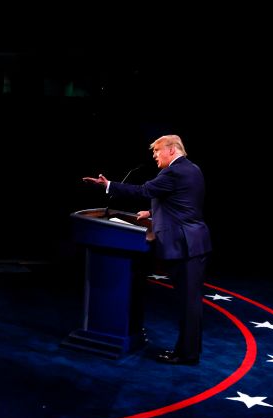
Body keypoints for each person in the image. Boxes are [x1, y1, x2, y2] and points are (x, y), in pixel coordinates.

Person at [82, 134, 211, 365]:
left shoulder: (173, 171)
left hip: (185, 246)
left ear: (171, 150)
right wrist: (151, 213)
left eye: (157, 150)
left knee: (188, 304)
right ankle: (186, 351)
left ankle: (187, 354)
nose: (154, 155)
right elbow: (183, 203)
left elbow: (143, 191)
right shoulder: (193, 169)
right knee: (188, 303)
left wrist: (108, 185)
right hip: (193, 243)